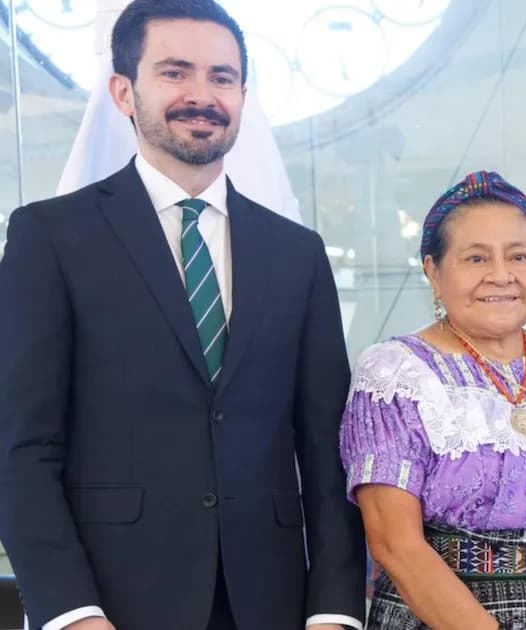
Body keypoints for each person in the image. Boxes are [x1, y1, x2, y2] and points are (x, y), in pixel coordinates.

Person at [0, 1, 366, 629]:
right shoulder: (50, 237)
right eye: (175, 72)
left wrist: (335, 608)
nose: (203, 94)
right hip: (113, 600)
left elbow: (327, 445)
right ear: (123, 90)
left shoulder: (296, 252)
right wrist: (70, 611)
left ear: (243, 95)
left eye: (222, 77)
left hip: (271, 602)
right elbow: (22, 446)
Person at [340, 170, 526, 630]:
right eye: (476, 258)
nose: (501, 275)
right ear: (433, 272)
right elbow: (394, 543)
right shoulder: (397, 374)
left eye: (519, 256)